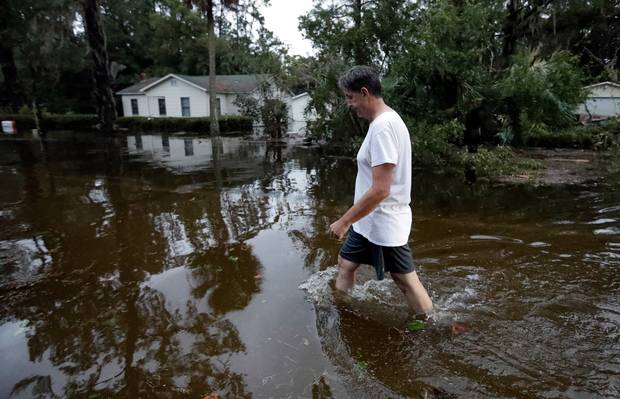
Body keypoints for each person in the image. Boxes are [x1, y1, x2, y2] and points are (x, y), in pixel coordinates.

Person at [328, 65, 433, 320]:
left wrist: (344, 221)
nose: (349, 104)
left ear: (365, 92)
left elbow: (381, 190)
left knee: (404, 279)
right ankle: (342, 312)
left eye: (350, 97)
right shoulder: (382, 123)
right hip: (368, 221)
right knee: (346, 264)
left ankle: (431, 323)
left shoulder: (384, 127)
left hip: (384, 220)